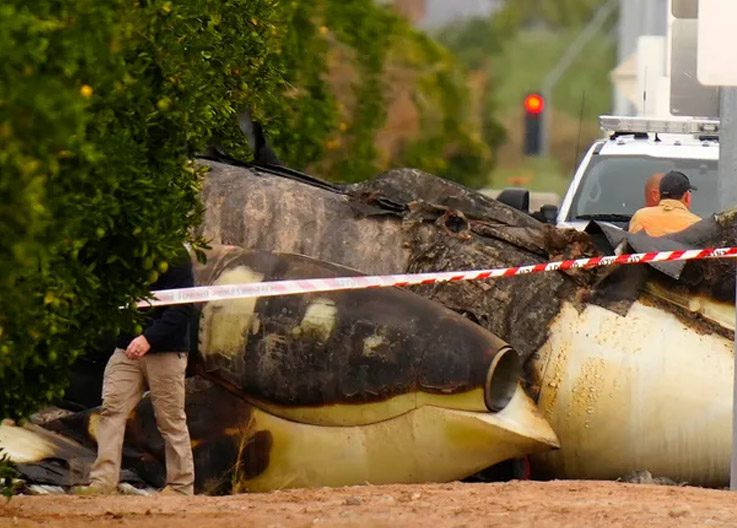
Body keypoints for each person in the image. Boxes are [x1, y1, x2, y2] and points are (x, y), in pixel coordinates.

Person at [75, 247, 195, 495]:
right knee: (111, 410)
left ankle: (180, 487)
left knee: (170, 420)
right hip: (127, 350)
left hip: (165, 352)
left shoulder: (176, 257)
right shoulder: (125, 254)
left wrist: (148, 339)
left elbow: (182, 309)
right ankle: (103, 482)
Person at [629, 170, 701, 236]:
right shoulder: (697, 225)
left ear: (659, 194)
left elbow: (630, 245)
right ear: (687, 197)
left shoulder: (640, 217)